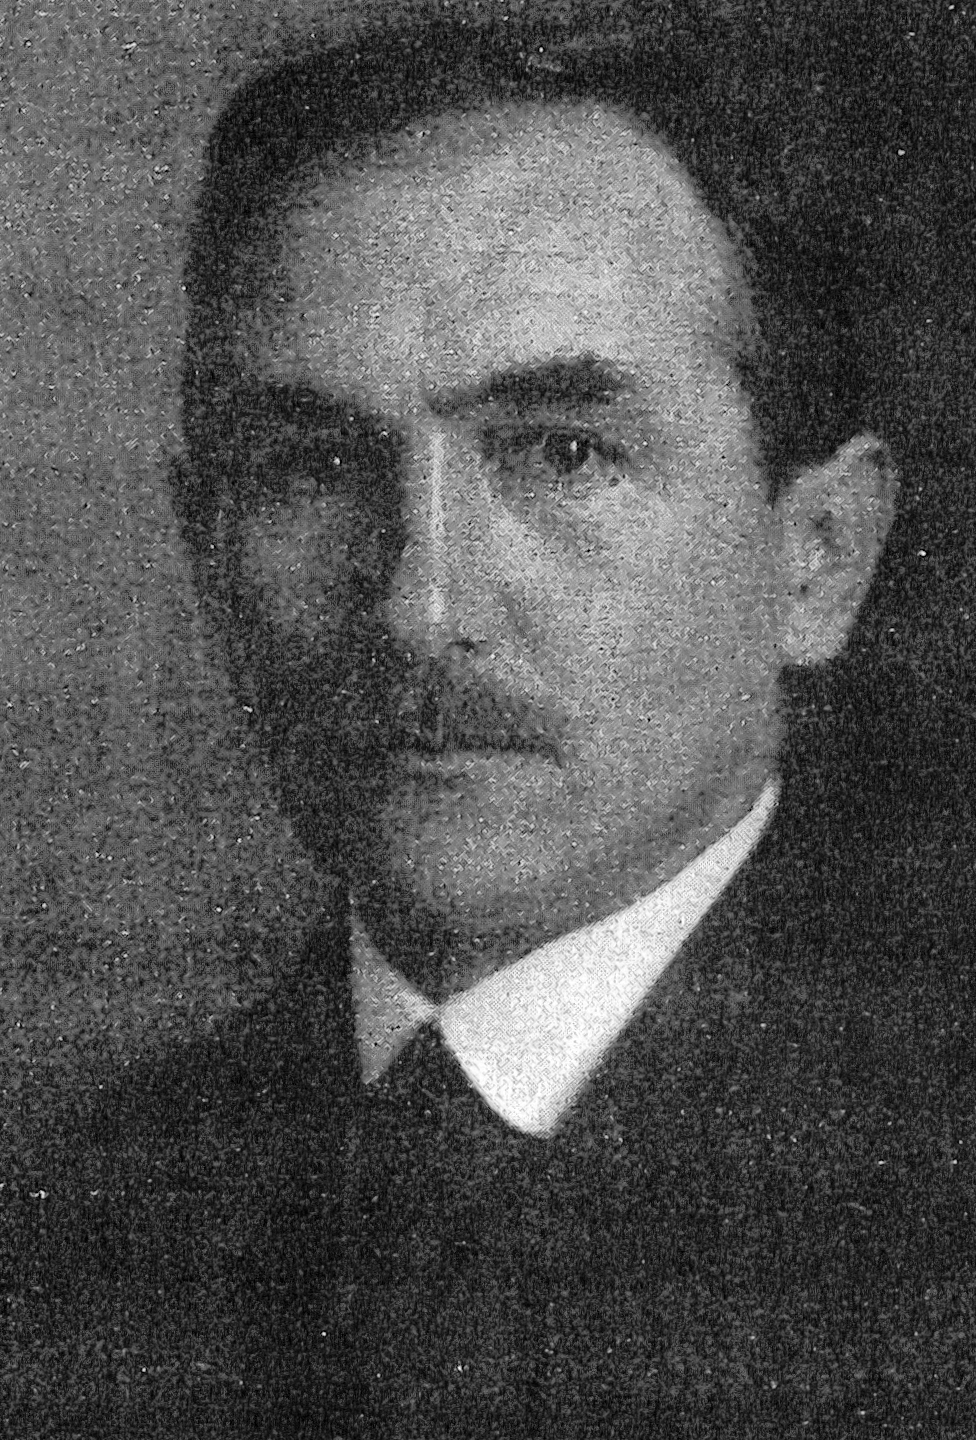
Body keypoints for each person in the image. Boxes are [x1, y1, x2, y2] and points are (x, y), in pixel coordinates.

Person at [9, 14, 972, 1438]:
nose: (420, 605)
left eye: (563, 453)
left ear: (816, 556)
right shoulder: (75, 1226)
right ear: (204, 548)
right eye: (311, 465)